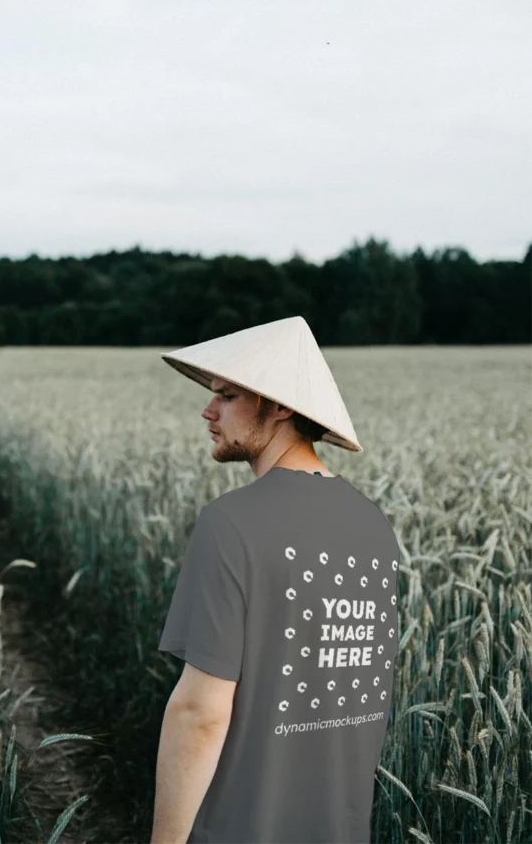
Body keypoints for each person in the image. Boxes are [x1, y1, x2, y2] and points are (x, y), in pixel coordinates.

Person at [152, 315, 400, 844]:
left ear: (281, 405)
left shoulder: (231, 523)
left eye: (227, 395)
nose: (208, 409)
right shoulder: (374, 526)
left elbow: (200, 714)